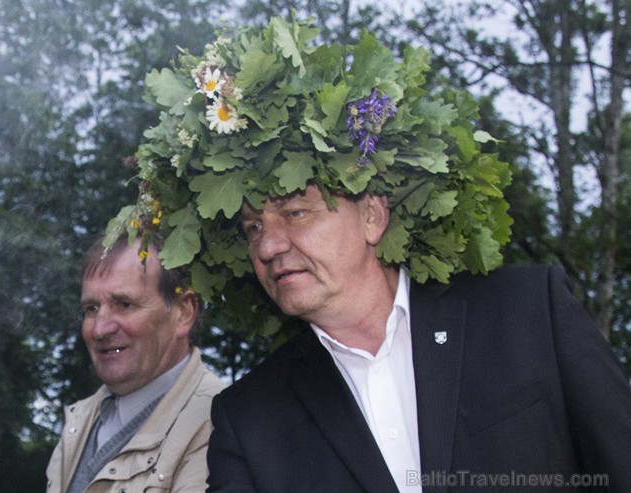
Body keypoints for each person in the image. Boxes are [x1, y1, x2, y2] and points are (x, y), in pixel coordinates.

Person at [106, 16, 631, 493]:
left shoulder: (527, 313)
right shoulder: (250, 420)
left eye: (295, 213)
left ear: (373, 216)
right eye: (251, 228)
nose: (266, 246)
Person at [46, 233, 225, 493]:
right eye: (91, 308)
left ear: (183, 312)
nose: (100, 329)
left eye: (124, 304)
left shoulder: (219, 424)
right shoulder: (80, 419)